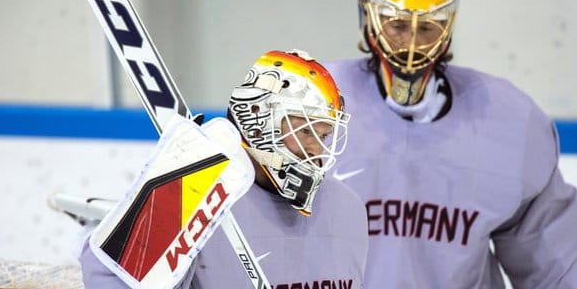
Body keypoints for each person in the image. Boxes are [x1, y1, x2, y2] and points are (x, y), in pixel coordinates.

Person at [325, 0, 577, 288]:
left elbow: (562, 261)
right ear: (372, 18)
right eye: (398, 26)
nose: (411, 43)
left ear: (446, 28)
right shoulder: (315, 105)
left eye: (427, 29)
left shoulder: (505, 121)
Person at [80, 50, 368, 288]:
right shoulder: (198, 193)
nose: (317, 150)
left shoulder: (347, 209)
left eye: (325, 135)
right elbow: (108, 276)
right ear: (258, 118)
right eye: (307, 132)